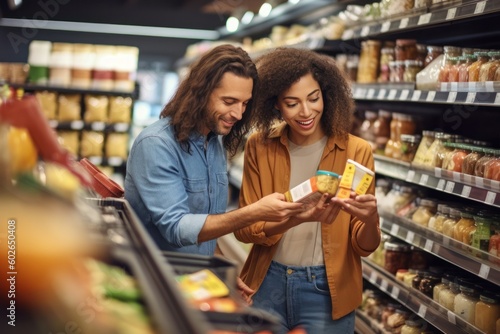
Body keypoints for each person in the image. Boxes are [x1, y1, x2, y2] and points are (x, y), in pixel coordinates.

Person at [124, 44, 307, 302]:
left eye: (245, 103)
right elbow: (177, 228)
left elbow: (205, 228)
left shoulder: (214, 142)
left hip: (195, 284)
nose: (238, 113)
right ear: (201, 93)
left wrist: (223, 268)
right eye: (229, 101)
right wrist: (253, 213)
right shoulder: (156, 144)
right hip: (158, 288)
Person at [234, 47, 381, 333]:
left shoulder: (356, 151)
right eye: (292, 103)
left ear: (326, 94)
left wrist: (371, 218)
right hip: (266, 282)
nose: (306, 112)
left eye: (313, 98)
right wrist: (299, 216)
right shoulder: (259, 146)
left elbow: (365, 246)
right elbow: (246, 229)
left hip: (327, 290)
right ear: (275, 104)